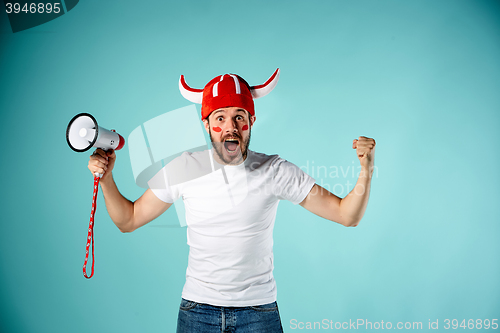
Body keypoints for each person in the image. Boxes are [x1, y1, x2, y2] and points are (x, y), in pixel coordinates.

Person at [88, 68, 376, 333]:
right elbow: (128, 220)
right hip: (197, 312)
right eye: (220, 117)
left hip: (259, 313)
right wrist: (107, 178)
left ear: (251, 121)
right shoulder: (183, 168)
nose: (231, 127)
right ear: (206, 123)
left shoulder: (275, 171)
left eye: (239, 116)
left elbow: (346, 215)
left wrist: (367, 169)